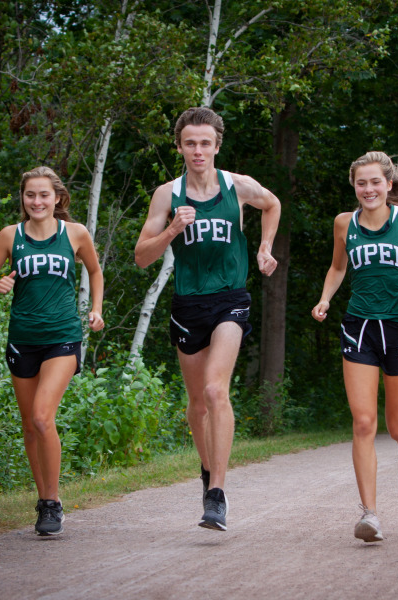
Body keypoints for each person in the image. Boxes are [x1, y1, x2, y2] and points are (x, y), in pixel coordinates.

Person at [134, 107, 280, 531]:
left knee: (217, 390)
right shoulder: (167, 194)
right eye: (190, 143)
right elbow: (142, 258)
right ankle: (206, 471)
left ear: (217, 146)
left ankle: (216, 493)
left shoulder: (237, 186)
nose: (198, 150)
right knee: (196, 404)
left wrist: (264, 248)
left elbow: (272, 204)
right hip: (187, 304)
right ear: (179, 146)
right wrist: (171, 232)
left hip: (230, 299)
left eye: (205, 143)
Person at [312, 151, 398, 543]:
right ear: (354, 186)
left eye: (374, 182)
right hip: (360, 328)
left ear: (388, 185)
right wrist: (325, 299)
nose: (367, 189)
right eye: (360, 183)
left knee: (396, 425)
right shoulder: (343, 224)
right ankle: (369, 514)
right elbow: (338, 268)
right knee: (364, 422)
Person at [0, 166, 104, 536]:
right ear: (23, 199)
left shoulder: (75, 233)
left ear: (58, 198)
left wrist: (96, 310)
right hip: (22, 339)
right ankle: (43, 497)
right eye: (30, 195)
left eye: (44, 195)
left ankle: (52, 502)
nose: (37, 201)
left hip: (63, 336)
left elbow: (95, 272)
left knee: (43, 417)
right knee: (30, 426)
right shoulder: (9, 236)